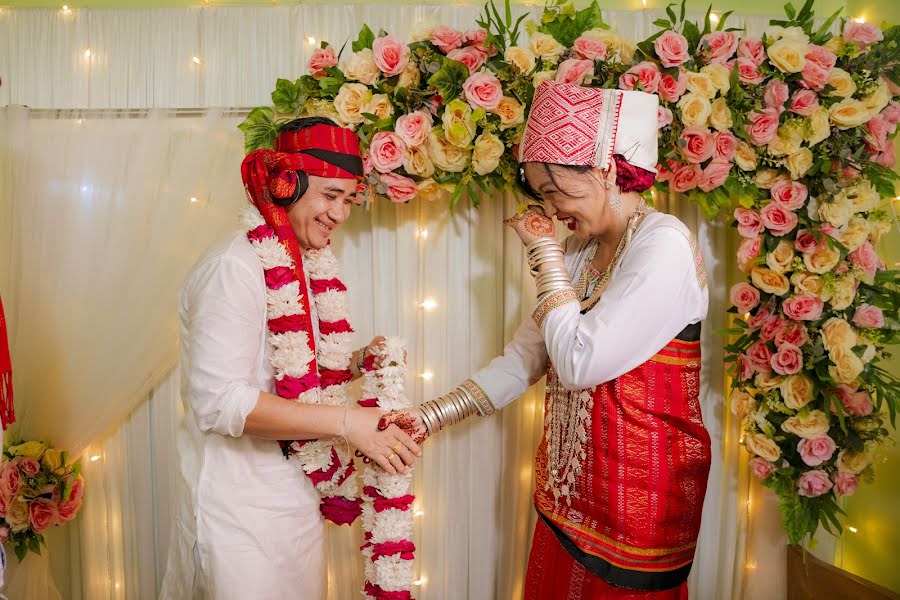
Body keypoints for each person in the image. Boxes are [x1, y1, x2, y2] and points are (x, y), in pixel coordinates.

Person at [388, 82, 711, 598]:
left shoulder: (663, 242)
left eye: (556, 189)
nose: (551, 206)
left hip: (638, 500)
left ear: (605, 170)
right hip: (570, 492)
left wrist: (544, 255)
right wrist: (430, 416)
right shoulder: (580, 251)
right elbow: (526, 357)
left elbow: (581, 362)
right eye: (542, 193)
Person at [160, 116, 421, 600]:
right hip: (238, 516)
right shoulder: (233, 269)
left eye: (348, 198)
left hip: (297, 502)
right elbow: (220, 403)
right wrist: (348, 423)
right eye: (329, 195)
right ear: (286, 186)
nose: (340, 213)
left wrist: (360, 360)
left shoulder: (304, 262)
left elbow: (286, 370)